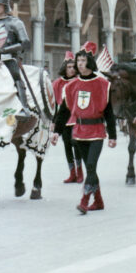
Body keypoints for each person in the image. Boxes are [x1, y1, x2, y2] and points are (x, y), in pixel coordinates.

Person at [62, 42, 116, 214]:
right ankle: (98, 201)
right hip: (79, 132)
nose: (79, 64)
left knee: (91, 165)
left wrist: (113, 135)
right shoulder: (71, 86)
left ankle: (84, 200)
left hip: (96, 131)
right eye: (78, 60)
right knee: (90, 169)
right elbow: (64, 111)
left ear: (90, 62)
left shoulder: (102, 84)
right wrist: (55, 131)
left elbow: (109, 112)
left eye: (83, 60)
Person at [51, 50, 84, 184]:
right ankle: (72, 173)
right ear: (64, 68)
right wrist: (54, 121)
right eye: (69, 67)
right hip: (63, 118)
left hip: (76, 118)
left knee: (76, 144)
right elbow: (54, 104)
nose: (71, 69)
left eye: (73, 67)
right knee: (67, 146)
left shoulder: (79, 81)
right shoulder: (57, 83)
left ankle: (80, 171)